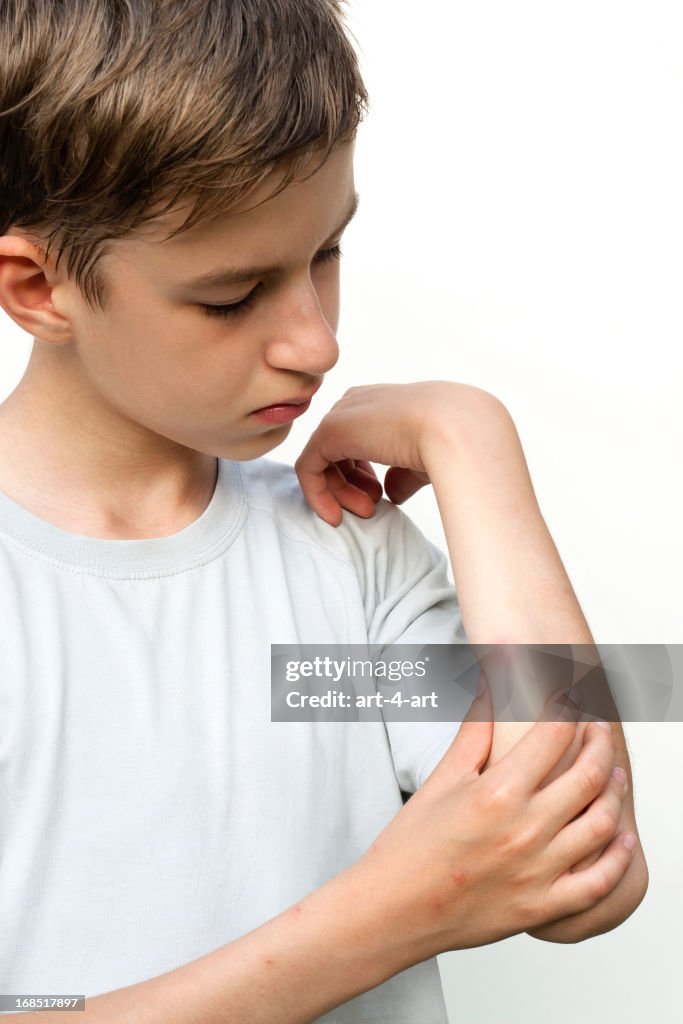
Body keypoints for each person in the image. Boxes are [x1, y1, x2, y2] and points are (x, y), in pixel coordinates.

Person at [0, 2, 648, 1021]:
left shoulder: (341, 553)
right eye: (230, 296)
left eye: (325, 254)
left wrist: (471, 441)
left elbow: (587, 866)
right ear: (38, 286)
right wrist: (394, 910)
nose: (315, 342)